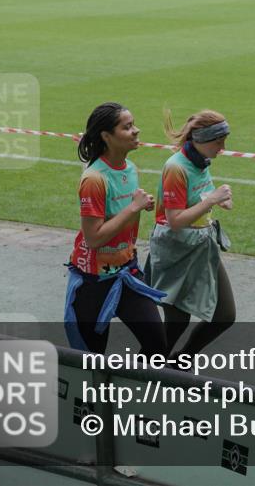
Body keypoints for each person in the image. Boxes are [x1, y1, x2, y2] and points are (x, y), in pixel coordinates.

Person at [65, 102, 166, 356]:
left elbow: (125, 220)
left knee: (157, 344)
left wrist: (138, 207)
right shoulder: (93, 180)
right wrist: (133, 208)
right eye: (127, 127)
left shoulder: (130, 170)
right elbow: (94, 238)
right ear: (107, 136)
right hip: (93, 282)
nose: (136, 131)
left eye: (134, 125)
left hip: (126, 272)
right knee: (93, 361)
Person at [147, 109, 235, 362]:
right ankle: (142, 371)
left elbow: (199, 197)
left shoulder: (200, 160)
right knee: (176, 322)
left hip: (202, 245)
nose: (223, 148)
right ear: (202, 139)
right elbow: (175, 221)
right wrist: (212, 200)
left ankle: (180, 362)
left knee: (225, 316)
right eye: (219, 142)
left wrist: (219, 200)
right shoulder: (176, 167)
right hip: (176, 250)